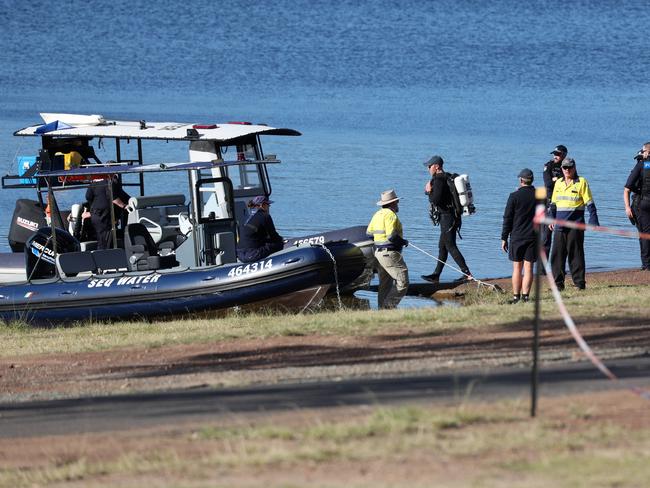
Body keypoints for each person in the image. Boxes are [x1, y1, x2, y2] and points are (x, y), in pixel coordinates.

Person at [548, 158, 599, 290]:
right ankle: (558, 285)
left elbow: (590, 203)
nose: (567, 170)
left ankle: (579, 284)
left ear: (574, 167)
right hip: (559, 226)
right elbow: (553, 205)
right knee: (557, 256)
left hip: (576, 226)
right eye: (564, 168)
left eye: (569, 167)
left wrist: (593, 220)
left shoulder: (582, 182)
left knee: (576, 255)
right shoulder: (558, 183)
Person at [421, 155, 472, 283]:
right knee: (442, 246)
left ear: (436, 166)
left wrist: (428, 191)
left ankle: (467, 273)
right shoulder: (448, 176)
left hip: (447, 218)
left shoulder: (439, 180)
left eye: (429, 166)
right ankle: (436, 275)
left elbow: (436, 200)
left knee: (450, 245)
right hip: (454, 216)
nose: (428, 169)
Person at [366, 189, 409, 309]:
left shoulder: (377, 215)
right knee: (403, 283)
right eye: (397, 202)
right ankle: (388, 307)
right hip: (390, 254)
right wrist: (403, 242)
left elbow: (369, 234)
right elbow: (391, 237)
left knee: (385, 285)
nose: (398, 204)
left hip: (378, 254)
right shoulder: (391, 215)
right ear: (392, 203)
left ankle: (382, 310)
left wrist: (380, 240)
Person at [501, 168, 537, 303]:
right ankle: (525, 297)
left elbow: (507, 218)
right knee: (529, 268)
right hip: (533, 236)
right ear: (532, 180)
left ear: (521, 180)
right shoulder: (539, 195)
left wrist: (504, 237)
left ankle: (516, 297)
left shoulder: (514, 196)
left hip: (517, 236)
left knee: (517, 267)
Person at [623, 142, 650, 270]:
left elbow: (627, 188)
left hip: (642, 204)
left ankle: (646, 264)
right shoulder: (641, 165)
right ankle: (646, 263)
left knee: (644, 234)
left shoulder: (641, 166)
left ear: (646, 152)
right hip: (642, 203)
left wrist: (627, 207)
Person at [85, 173, 130, 250]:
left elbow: (88, 197)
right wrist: (125, 206)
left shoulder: (94, 184)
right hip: (103, 216)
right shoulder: (111, 183)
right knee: (104, 240)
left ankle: (106, 255)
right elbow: (114, 197)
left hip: (97, 215)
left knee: (104, 238)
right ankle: (102, 258)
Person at [236, 195, 284, 263]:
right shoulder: (265, 216)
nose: (269, 207)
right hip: (252, 254)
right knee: (278, 244)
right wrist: (282, 240)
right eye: (268, 204)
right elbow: (274, 235)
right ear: (262, 205)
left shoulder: (247, 216)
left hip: (240, 254)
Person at [541, 145, 568, 261]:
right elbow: (547, 183)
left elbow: (569, 182)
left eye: (558, 154)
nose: (555, 156)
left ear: (564, 155)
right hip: (548, 203)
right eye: (554, 154)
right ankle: (543, 267)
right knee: (546, 236)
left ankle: (558, 264)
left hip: (563, 204)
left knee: (562, 236)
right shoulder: (548, 166)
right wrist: (558, 180)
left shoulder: (567, 167)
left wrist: (556, 179)